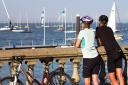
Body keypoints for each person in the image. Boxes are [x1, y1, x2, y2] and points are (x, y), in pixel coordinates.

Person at [96, 15, 126, 85]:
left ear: (99, 21)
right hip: (119, 51)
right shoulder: (109, 29)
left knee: (111, 77)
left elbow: (100, 43)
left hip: (111, 53)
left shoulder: (98, 29)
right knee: (120, 75)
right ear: (107, 22)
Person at [75, 16, 101, 85]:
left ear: (84, 23)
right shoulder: (93, 31)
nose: (81, 24)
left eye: (82, 22)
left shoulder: (82, 32)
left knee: (87, 80)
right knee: (95, 80)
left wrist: (82, 45)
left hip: (88, 58)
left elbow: (77, 45)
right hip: (96, 56)